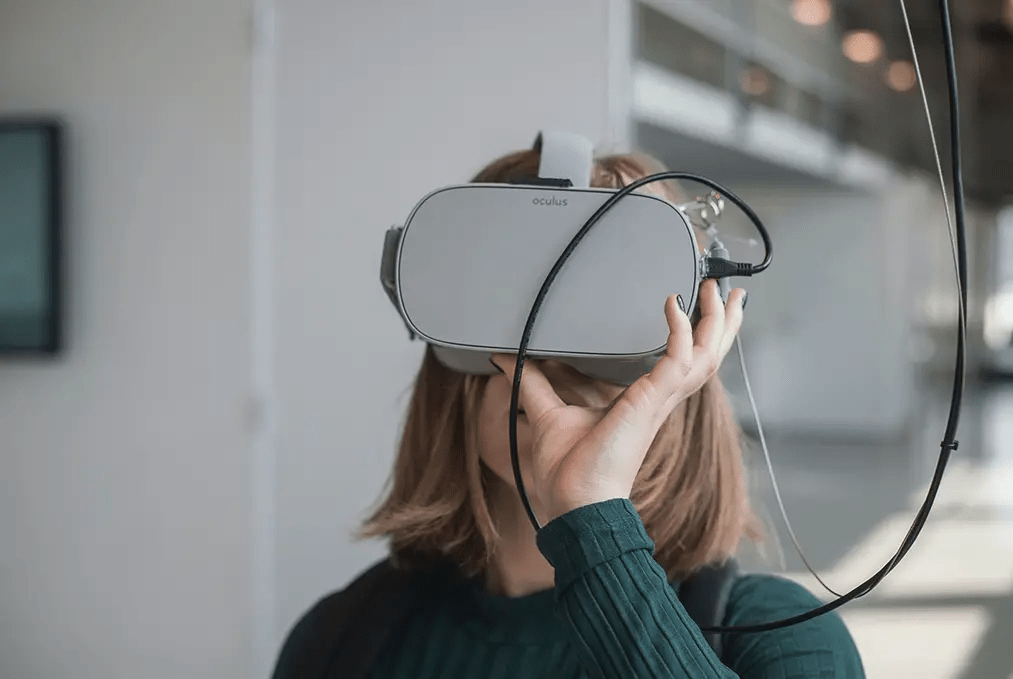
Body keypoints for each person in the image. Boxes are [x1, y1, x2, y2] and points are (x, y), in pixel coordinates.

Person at [271, 147, 866, 678]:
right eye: (518, 301)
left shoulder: (783, 640)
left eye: (608, 307)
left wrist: (591, 515)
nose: (557, 359)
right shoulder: (341, 641)